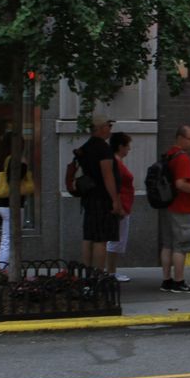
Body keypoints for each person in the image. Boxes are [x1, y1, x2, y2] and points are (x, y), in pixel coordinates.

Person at [159, 124, 190, 294]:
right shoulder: (183, 158)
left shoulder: (168, 155)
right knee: (181, 246)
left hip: (167, 205)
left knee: (167, 244)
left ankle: (166, 280)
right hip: (182, 207)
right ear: (180, 138)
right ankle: (179, 282)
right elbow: (181, 184)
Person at [79, 114, 123, 273]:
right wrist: (115, 200)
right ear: (100, 128)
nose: (110, 129)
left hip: (89, 197)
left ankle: (87, 273)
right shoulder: (103, 148)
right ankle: (98, 274)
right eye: (108, 126)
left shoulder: (85, 147)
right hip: (102, 198)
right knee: (100, 239)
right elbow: (108, 175)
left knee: (89, 236)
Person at [0, 132, 28, 270]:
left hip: (3, 204)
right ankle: (4, 270)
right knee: (9, 240)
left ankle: (4, 269)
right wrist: (24, 164)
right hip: (12, 204)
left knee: (6, 239)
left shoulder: (3, 158)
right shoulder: (16, 160)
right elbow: (14, 180)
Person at [105, 132, 134, 283]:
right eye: (127, 145)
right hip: (121, 207)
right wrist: (120, 207)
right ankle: (110, 272)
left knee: (116, 240)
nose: (129, 149)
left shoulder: (117, 162)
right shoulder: (116, 164)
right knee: (115, 241)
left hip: (124, 205)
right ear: (120, 146)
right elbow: (116, 186)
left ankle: (111, 271)